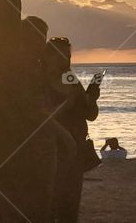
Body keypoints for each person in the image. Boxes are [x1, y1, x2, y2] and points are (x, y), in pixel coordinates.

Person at [45, 37, 99, 223]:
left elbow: (90, 113)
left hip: (75, 150)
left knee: (70, 205)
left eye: (68, 56)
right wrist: (68, 103)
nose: (66, 60)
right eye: (61, 55)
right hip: (51, 150)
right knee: (51, 203)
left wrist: (92, 94)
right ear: (48, 56)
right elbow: (42, 117)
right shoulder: (38, 81)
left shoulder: (70, 78)